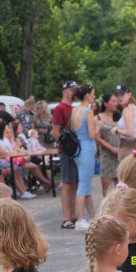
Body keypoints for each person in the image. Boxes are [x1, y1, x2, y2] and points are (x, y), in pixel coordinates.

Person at [69, 84, 98, 231]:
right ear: (87, 95)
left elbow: (73, 129)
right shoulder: (88, 111)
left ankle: (93, 216)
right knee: (83, 186)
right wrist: (97, 126)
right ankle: (80, 219)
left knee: (86, 185)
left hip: (79, 150)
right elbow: (93, 135)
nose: (94, 96)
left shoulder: (75, 110)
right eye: (92, 93)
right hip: (87, 149)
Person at [53, 81, 78, 226]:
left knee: (74, 182)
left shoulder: (73, 108)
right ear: (65, 91)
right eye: (72, 90)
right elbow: (55, 131)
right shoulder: (59, 108)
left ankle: (73, 214)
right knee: (67, 183)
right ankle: (65, 217)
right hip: (66, 151)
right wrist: (64, 145)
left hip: (74, 150)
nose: (74, 92)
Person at [95, 93, 123, 196]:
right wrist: (111, 149)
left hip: (120, 154)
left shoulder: (120, 117)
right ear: (106, 103)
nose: (116, 103)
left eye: (116, 101)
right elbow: (97, 138)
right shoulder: (98, 118)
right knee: (107, 188)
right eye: (113, 101)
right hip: (107, 155)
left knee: (121, 188)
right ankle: (107, 210)